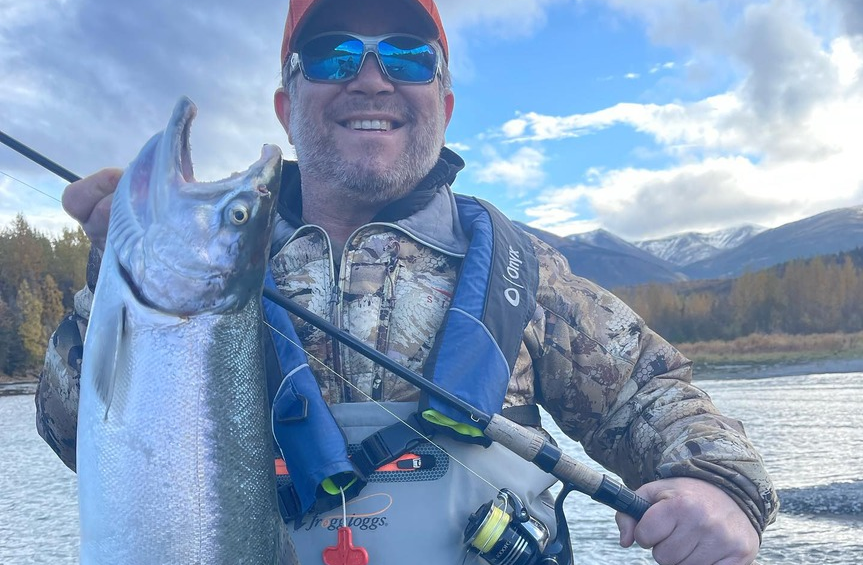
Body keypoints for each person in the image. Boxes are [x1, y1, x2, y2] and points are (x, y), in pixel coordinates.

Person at [36, 0, 778, 563]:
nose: (369, 79)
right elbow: (78, 437)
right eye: (330, 57)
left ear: (444, 106)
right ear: (285, 106)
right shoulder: (213, 269)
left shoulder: (527, 274)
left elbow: (657, 396)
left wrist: (720, 487)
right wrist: (115, 278)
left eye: (407, 57)